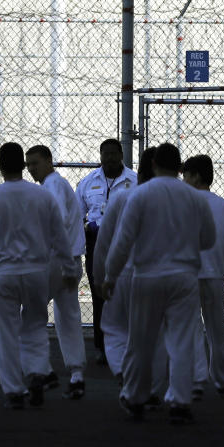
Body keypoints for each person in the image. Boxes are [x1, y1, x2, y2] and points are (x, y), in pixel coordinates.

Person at [0, 142, 76, 409]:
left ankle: (14, 389)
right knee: (34, 324)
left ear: (0, 167)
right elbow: (60, 236)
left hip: (5, 272)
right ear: (23, 165)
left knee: (6, 331)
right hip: (37, 271)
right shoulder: (42, 196)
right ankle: (37, 370)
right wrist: (69, 269)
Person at [104, 142, 215, 424]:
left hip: (147, 275)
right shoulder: (195, 198)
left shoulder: (140, 195)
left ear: (154, 165)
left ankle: (134, 396)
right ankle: (180, 400)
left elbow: (123, 241)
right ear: (180, 168)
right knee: (180, 339)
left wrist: (110, 276)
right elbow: (209, 239)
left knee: (140, 340)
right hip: (184, 276)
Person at [92, 146, 169, 408]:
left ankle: (124, 372)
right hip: (159, 273)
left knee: (115, 328)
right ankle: (153, 388)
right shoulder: (175, 198)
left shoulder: (125, 197)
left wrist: (101, 276)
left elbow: (106, 241)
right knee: (157, 335)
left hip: (124, 272)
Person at [24, 144, 87, 399]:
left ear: (49, 161)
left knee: (31, 314)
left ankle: (42, 371)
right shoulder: (56, 185)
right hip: (70, 258)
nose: (31, 169)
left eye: (35, 163)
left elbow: (56, 221)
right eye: (28, 164)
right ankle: (76, 374)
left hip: (55, 260)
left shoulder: (52, 186)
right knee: (67, 317)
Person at [75, 138, 137, 364]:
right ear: (100, 156)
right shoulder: (87, 182)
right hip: (96, 242)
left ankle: (129, 344)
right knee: (99, 292)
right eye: (105, 154)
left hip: (125, 243)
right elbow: (77, 215)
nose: (109, 158)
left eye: (113, 153)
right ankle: (101, 346)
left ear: (121, 155)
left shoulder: (134, 180)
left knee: (126, 292)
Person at [181, 154, 224, 400]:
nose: (183, 179)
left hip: (188, 274)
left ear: (196, 176)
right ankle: (221, 378)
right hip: (215, 273)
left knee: (190, 329)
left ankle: (194, 378)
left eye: (186, 174)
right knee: (216, 330)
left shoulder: (183, 204)